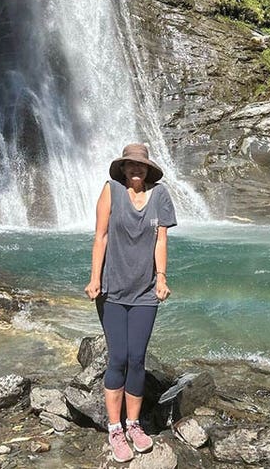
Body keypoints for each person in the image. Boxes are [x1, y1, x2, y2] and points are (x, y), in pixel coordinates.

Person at [84, 143, 177, 463]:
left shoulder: (161, 196)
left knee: (137, 359)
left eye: (141, 165)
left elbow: (161, 240)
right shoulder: (111, 190)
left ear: (148, 169)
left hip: (145, 291)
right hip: (111, 289)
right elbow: (101, 237)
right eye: (130, 165)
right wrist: (95, 278)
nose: (135, 169)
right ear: (122, 169)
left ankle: (134, 425)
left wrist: (161, 277)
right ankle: (114, 429)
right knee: (118, 358)